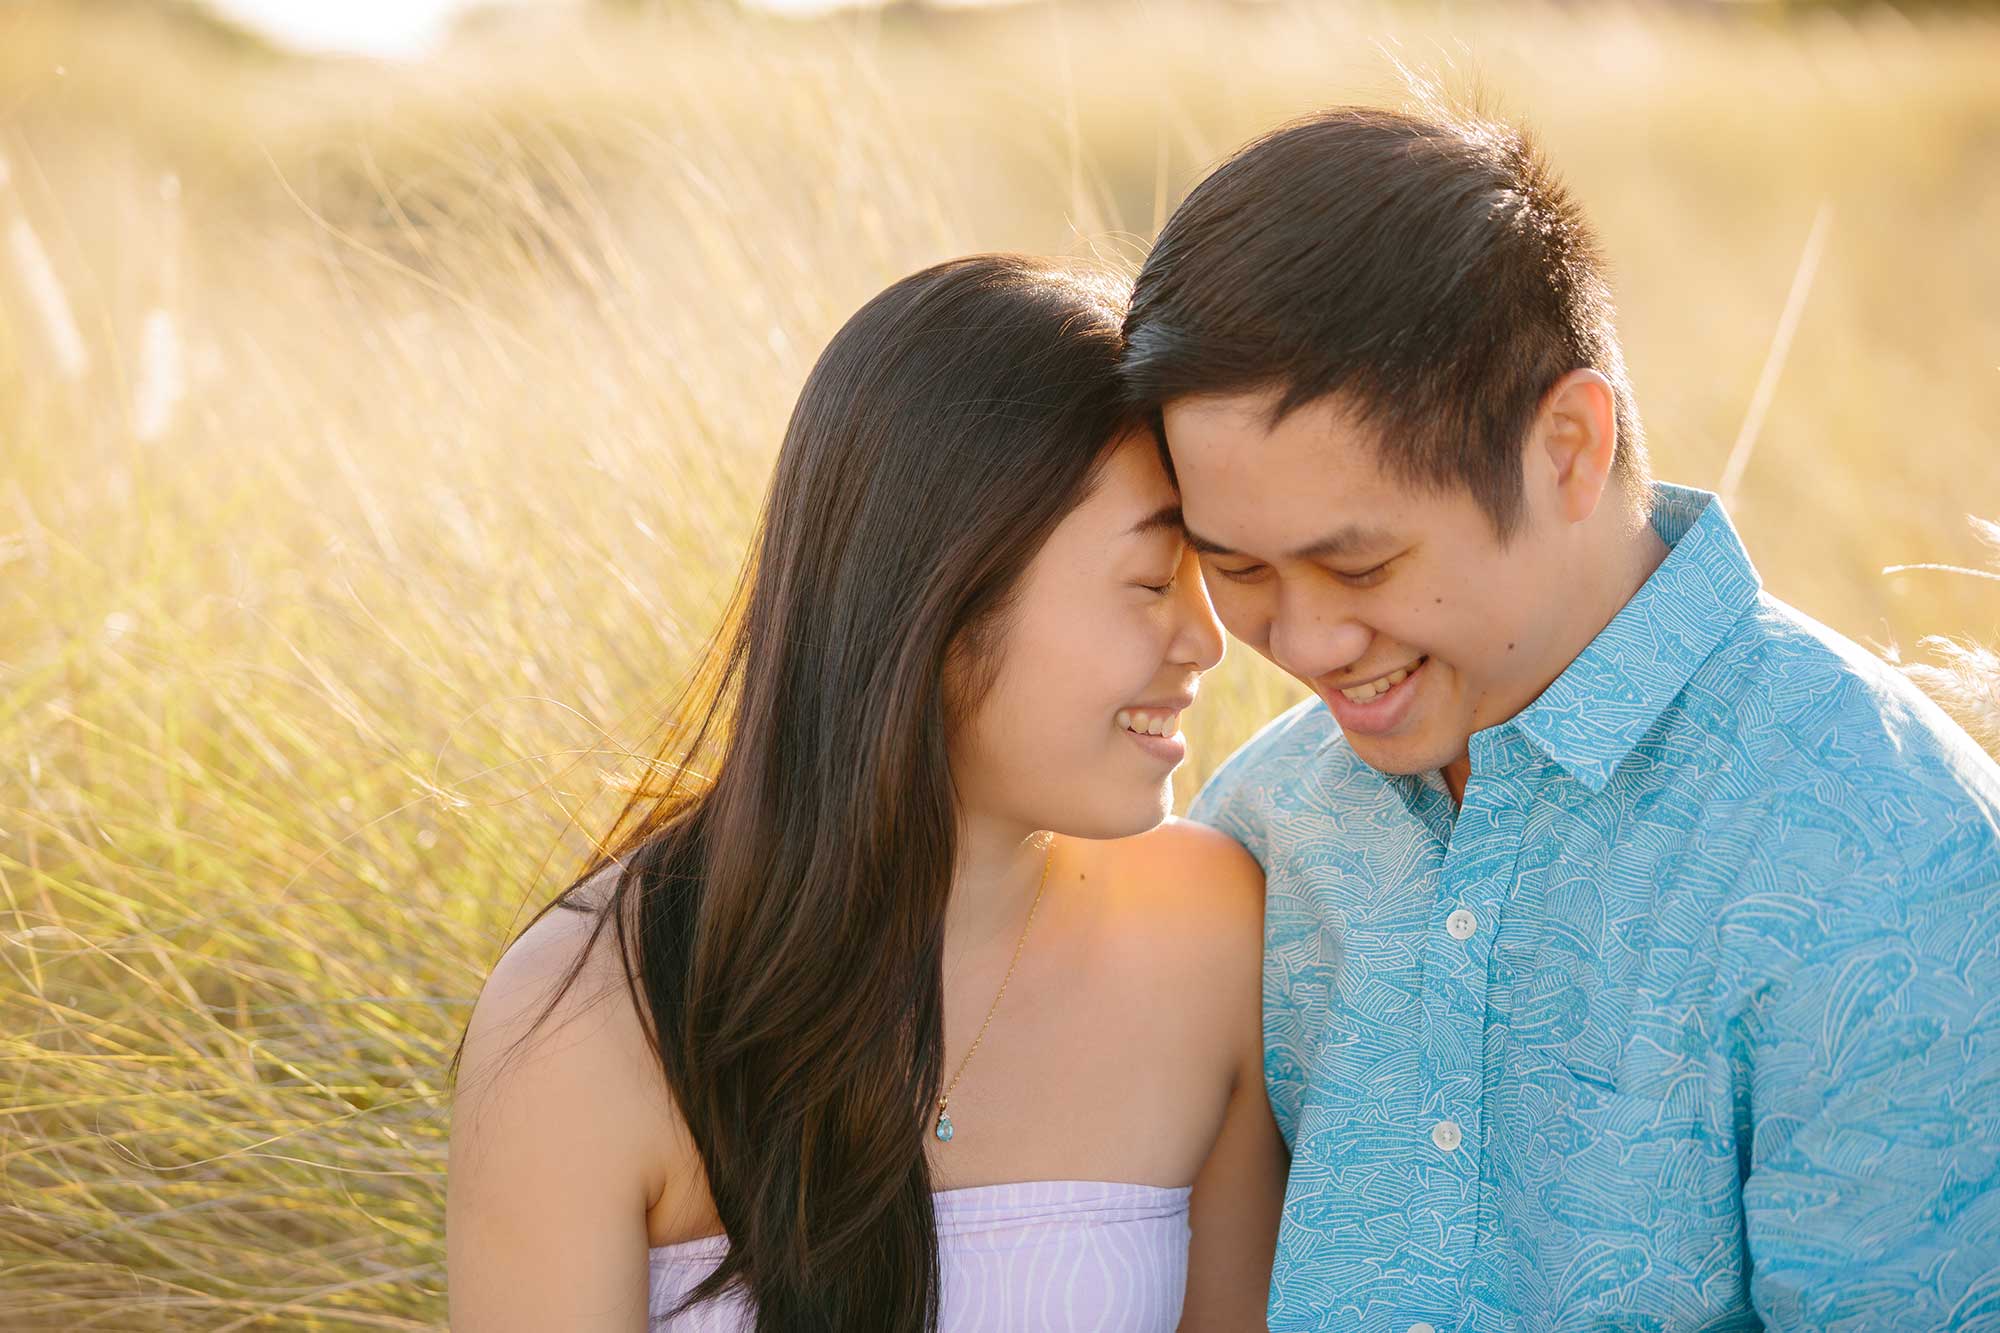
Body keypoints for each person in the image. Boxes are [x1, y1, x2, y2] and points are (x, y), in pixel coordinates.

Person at [1121, 105, 2000, 1332]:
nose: (1305, 646)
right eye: (1243, 572)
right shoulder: (1259, 831)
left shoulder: (1891, 856)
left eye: (1361, 565)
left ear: (1568, 447)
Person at [445, 254, 1286, 1332]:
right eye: (1147, 582)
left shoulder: (1208, 932)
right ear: (940, 596)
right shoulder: (594, 1014)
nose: (1205, 642)